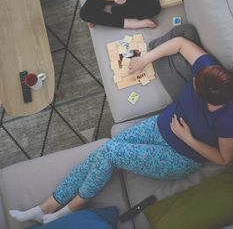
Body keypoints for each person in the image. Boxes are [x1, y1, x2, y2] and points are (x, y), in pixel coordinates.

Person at [9, 36, 233, 224]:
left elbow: (223, 158)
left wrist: (188, 138)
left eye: (195, 84)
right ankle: (47, 206)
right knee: (105, 150)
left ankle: (71, 207)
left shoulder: (227, 118)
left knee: (111, 152)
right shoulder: (210, 72)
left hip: (180, 157)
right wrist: (145, 58)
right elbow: (181, 43)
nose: (193, 80)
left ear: (207, 99)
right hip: (159, 127)